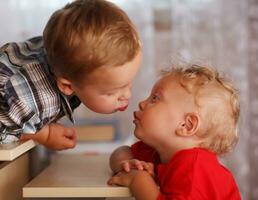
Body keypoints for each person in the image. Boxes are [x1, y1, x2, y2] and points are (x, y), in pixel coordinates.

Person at [0, 0, 142, 150]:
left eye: (129, 83)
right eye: (112, 92)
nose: (127, 95)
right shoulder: (30, 100)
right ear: (67, 86)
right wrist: (45, 134)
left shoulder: (65, 57)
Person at [108, 65, 241, 199]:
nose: (142, 103)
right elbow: (121, 153)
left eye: (155, 98)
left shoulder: (194, 168)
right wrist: (129, 164)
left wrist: (138, 179)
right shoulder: (162, 153)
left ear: (186, 125)